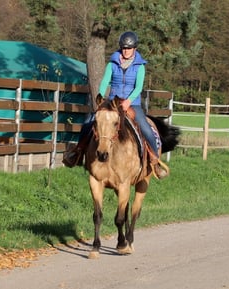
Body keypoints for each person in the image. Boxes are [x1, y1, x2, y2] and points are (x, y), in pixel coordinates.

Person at [63, 31, 168, 179]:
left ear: (135, 49)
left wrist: (128, 101)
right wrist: (100, 96)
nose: (126, 51)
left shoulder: (140, 66)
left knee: (146, 128)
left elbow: (138, 87)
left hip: (131, 104)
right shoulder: (113, 63)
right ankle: (77, 153)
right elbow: (105, 81)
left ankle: (154, 161)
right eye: (124, 48)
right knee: (89, 122)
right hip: (112, 102)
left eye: (129, 48)